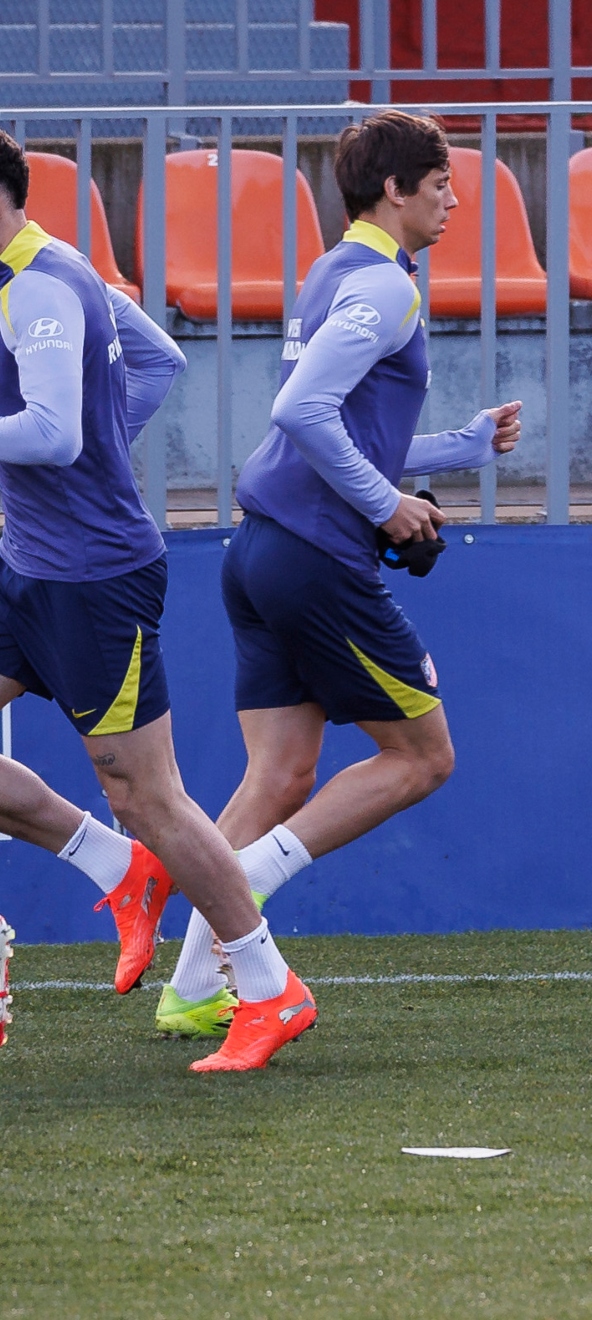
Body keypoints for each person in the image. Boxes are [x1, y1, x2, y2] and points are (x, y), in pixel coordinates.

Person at [154, 110, 521, 1037]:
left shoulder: (334, 271)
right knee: (422, 757)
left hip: (262, 552)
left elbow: (329, 428)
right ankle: (246, 907)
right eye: (440, 184)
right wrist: (387, 505)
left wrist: (456, 450)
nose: (453, 200)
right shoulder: (388, 291)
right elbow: (305, 409)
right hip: (315, 556)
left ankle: (196, 986)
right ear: (395, 190)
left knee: (278, 774)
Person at [0, 132, 316, 1070]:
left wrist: (87, 450)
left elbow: (55, 433)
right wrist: (98, 447)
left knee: (150, 796)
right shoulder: (61, 274)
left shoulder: (42, 287)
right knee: (135, 811)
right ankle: (114, 867)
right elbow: (162, 359)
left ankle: (268, 987)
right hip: (28, 566)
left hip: (94, 579)